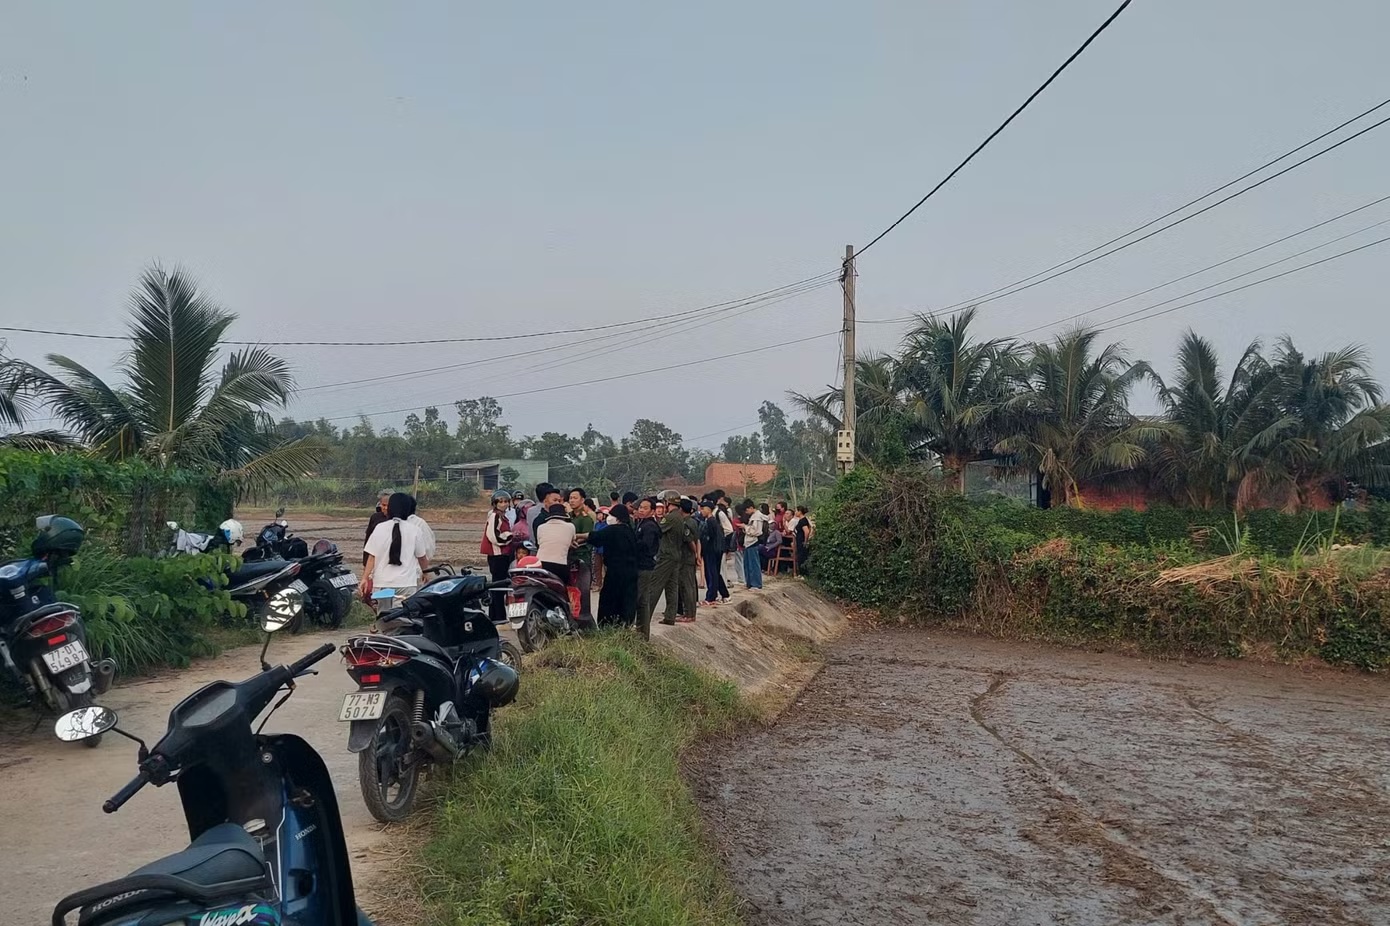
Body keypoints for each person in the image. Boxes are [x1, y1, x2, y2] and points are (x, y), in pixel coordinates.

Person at [361, 493, 430, 603]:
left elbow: (372, 557)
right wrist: (425, 573)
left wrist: (364, 578)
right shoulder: (415, 530)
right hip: (406, 584)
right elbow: (422, 558)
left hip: (382, 583)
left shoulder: (379, 528)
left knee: (384, 612)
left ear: (390, 508)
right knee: (403, 612)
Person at [595, 503, 641, 626]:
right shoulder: (629, 530)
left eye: (611, 515)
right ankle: (625, 625)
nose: (609, 518)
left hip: (616, 571)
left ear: (618, 517)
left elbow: (595, 537)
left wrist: (577, 536)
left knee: (610, 600)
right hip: (631, 571)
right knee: (627, 600)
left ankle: (608, 626)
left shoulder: (614, 529)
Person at [650, 491, 687, 629]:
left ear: (667, 502)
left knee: (654, 585)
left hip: (666, 556)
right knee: (672, 587)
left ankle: (644, 616)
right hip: (676, 554)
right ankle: (670, 616)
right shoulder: (679, 516)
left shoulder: (670, 517)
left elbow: (658, 530)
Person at [634, 497, 662, 636]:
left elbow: (646, 545)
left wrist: (632, 544)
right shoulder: (641, 523)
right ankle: (642, 631)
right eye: (640, 507)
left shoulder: (649, 526)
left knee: (641, 599)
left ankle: (642, 631)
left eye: (645, 508)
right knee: (643, 600)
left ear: (652, 511)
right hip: (642, 564)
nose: (641, 510)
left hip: (645, 566)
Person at [567, 488, 595, 620]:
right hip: (568, 558)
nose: (572, 500)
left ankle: (585, 620)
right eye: (570, 498)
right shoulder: (568, 517)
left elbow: (586, 537)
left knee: (582, 591)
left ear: (582, 500)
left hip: (582, 558)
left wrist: (571, 539)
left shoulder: (586, 519)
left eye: (575, 498)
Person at [535, 503, 575, 584]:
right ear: (564, 516)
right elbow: (572, 541)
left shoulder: (541, 527)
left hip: (541, 563)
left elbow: (540, 543)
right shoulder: (570, 527)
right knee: (563, 587)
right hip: (560, 565)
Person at [699, 499, 730, 606]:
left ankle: (711, 597)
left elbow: (710, 537)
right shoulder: (712, 521)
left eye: (703, 509)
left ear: (708, 509)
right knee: (716, 573)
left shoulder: (710, 521)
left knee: (712, 574)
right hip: (716, 550)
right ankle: (725, 594)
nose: (701, 511)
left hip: (712, 550)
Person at [481, 490, 514, 583]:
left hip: (502, 554)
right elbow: (494, 536)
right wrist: (510, 536)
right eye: (500, 502)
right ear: (495, 504)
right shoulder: (494, 516)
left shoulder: (501, 515)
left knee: (502, 580)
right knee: (499, 582)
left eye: (506, 501)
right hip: (497, 554)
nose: (504, 504)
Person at [676, 497, 700, 623]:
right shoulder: (694, 521)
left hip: (686, 558)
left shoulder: (685, 523)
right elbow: (698, 540)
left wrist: (695, 553)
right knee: (690, 585)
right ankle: (690, 613)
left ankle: (689, 614)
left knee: (686, 587)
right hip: (690, 557)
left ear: (680, 509)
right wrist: (698, 555)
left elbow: (690, 541)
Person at [740, 499, 768, 590]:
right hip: (748, 542)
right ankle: (749, 583)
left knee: (754, 564)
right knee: (747, 564)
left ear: (751, 508)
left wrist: (745, 527)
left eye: (747, 510)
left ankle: (756, 584)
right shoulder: (753, 516)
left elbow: (756, 531)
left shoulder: (757, 517)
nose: (746, 512)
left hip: (753, 541)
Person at [363, 490, 390, 566]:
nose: (386, 508)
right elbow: (368, 539)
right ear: (380, 504)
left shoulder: (397, 519)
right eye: (383, 505)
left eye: (388, 505)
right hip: (375, 554)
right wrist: (365, 562)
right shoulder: (375, 517)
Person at [793, 504, 813, 570]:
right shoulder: (801, 520)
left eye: (796, 511)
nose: (795, 512)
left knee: (802, 556)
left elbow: (806, 531)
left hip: (801, 540)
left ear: (800, 512)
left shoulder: (803, 521)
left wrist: (805, 541)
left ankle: (803, 571)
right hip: (799, 539)